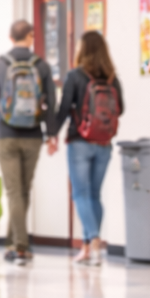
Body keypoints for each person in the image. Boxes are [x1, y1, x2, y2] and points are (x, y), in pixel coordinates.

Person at [0, 19, 57, 265]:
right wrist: (51, 133)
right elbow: (51, 103)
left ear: (10, 37)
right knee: (23, 190)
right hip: (33, 136)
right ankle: (16, 244)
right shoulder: (42, 66)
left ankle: (19, 246)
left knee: (15, 191)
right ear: (31, 36)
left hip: (5, 134)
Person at [53, 30, 124, 264]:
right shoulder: (112, 78)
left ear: (82, 49)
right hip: (104, 143)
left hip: (80, 141)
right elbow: (120, 108)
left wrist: (51, 134)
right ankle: (87, 248)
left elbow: (64, 109)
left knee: (80, 194)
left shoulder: (75, 75)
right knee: (94, 195)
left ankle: (94, 241)